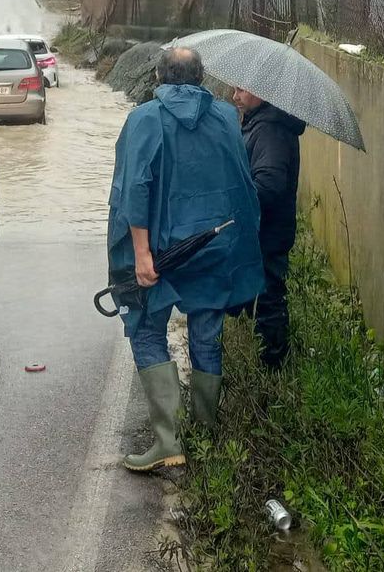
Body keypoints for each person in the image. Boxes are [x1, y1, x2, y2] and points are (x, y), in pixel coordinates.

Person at [108, 47, 263, 471]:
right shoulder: (227, 118)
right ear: (200, 77)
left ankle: (168, 441)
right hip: (214, 247)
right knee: (206, 338)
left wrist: (139, 254)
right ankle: (207, 434)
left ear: (159, 75)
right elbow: (242, 186)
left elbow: (133, 190)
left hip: (161, 253)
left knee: (146, 333)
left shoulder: (143, 120)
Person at [231, 87, 305, 368]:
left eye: (241, 89)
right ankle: (267, 361)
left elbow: (270, 185)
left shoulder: (270, 130)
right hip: (266, 232)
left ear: (262, 91)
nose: (235, 96)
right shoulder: (261, 122)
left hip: (267, 233)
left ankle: (273, 368)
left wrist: (237, 199)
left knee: (269, 301)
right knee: (264, 296)